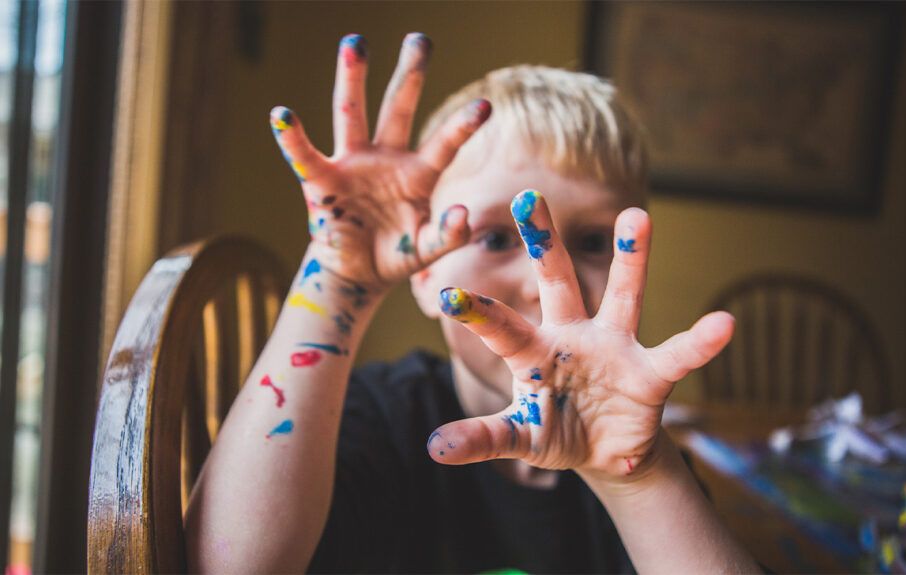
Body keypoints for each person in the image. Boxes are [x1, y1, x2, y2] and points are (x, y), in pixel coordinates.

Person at [184, 32, 759, 574]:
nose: (541, 281)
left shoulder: (637, 447)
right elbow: (229, 565)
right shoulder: (377, 420)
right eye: (494, 238)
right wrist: (339, 280)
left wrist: (639, 479)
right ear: (424, 268)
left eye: (590, 242)